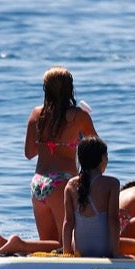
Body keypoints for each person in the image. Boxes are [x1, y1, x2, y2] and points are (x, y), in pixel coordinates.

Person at [25, 66, 97, 245]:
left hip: (38, 183)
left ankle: (11, 244)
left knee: (50, 246)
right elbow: (97, 151)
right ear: (70, 89)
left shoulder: (36, 114)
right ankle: (16, 242)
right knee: (66, 245)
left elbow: (29, 153)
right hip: (62, 182)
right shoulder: (79, 116)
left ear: (45, 88)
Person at [61, 137, 124, 258]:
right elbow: (113, 220)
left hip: (80, 250)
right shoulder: (112, 184)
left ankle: (64, 251)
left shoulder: (70, 185)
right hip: (104, 250)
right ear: (102, 159)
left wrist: (66, 253)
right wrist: (116, 253)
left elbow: (68, 223)